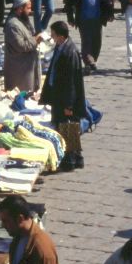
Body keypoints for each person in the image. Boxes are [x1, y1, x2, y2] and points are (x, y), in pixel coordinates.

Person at [39, 21, 87, 172]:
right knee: (67, 126)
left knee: (67, 126)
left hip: (65, 97)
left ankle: (70, 160)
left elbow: (71, 82)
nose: (51, 38)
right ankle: (76, 158)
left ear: (60, 36)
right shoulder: (61, 47)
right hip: (58, 94)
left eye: (53, 35)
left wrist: (69, 105)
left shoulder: (70, 52)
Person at [0, 195, 60, 264]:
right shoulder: (19, 236)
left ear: (20, 219)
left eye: (5, 221)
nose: (2, 225)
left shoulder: (42, 249)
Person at [74, 0, 113, 71]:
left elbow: (106, 0)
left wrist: (110, 14)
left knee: (97, 42)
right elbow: (69, 2)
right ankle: (88, 61)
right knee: (86, 41)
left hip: (97, 19)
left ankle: (92, 61)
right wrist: (70, 18)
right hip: (83, 19)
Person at [4, 0, 42, 92]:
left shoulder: (23, 20)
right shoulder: (13, 25)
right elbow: (21, 46)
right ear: (20, 9)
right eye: (28, 8)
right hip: (19, 70)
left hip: (27, 66)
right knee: (20, 95)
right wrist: (36, 40)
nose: (30, 11)